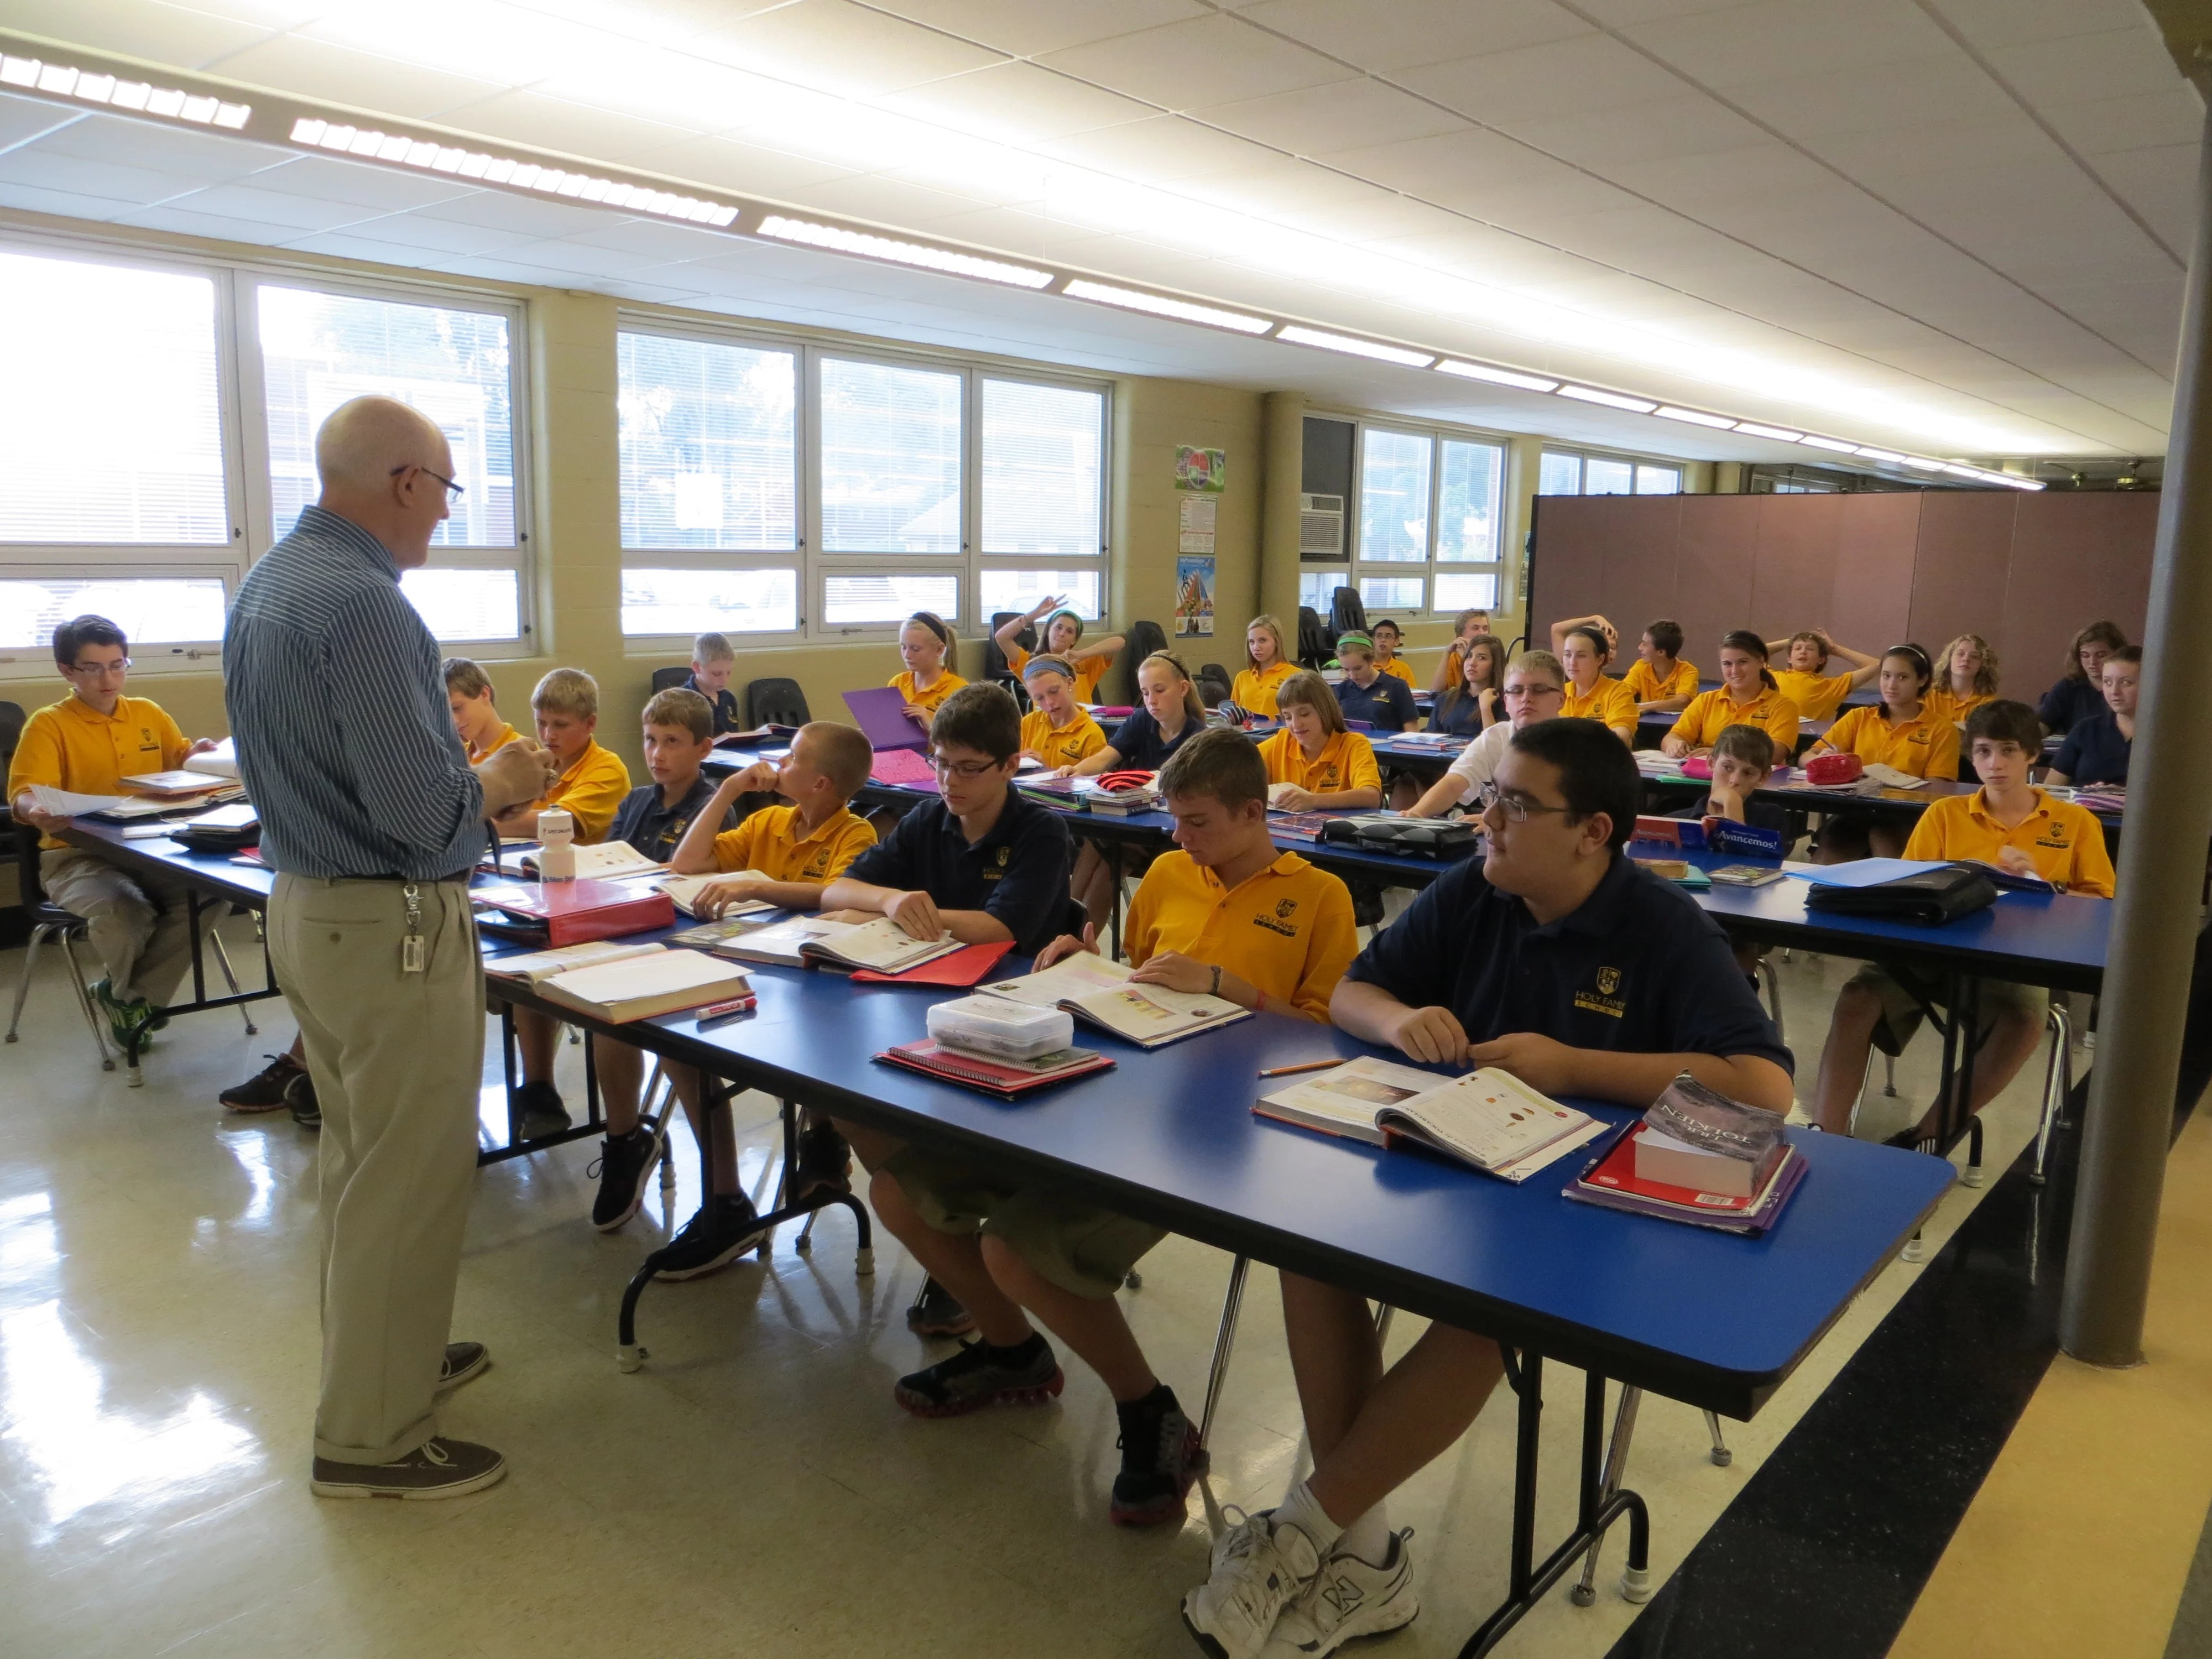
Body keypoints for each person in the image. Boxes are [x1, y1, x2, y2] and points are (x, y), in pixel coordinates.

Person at [1181, 720, 1791, 1659]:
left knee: (1484, 1309)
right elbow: (1353, 994)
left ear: (1592, 831)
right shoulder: (1478, 889)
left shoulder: (1662, 926)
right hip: (1460, 1160)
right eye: (1490, 793)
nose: (1484, 817)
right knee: (1308, 1252)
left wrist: (1573, 1064)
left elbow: (1764, 1087)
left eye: (1513, 802)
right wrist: (1403, 1017)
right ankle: (1370, 1555)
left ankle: (1299, 1533)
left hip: (1581, 1209)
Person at [859, 729, 1355, 1529]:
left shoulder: (1319, 896)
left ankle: (1149, 1409)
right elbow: (1135, 982)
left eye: (1195, 823)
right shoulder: (1166, 873)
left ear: (1253, 813)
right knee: (901, 1191)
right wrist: (1078, 962)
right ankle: (1011, 1348)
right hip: (1121, 1091)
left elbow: (1330, 1041)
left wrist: (1229, 987)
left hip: (1224, 1132)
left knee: (1013, 1245)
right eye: (1172, 819)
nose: (1176, 838)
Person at [225, 394, 561, 1499]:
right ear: (407, 483)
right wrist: (501, 787)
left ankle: (387, 1364)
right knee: (407, 1181)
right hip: (390, 922)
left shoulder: (269, 584)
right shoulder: (366, 607)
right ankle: (371, 1436)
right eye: (448, 493)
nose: (443, 518)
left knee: (362, 1166)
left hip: (312, 909)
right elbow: (425, 817)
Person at [1806, 700, 2115, 1141]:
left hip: (2015, 957)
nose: (1995, 764)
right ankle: (1826, 1135)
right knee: (1857, 995)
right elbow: (1905, 887)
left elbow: (2102, 901)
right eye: (1985, 752)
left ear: (2032, 755)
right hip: (1933, 949)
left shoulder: (2076, 822)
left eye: (2008, 751)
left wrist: (2046, 885)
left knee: (2025, 1023)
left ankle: (1928, 1136)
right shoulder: (1944, 814)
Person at [227, 656, 517, 1124]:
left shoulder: (510, 749)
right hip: (388, 895)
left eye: (458, 707)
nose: (452, 721)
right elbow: (430, 813)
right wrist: (494, 792)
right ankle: (311, 1073)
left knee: (384, 1111)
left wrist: (494, 791)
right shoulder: (456, 751)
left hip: (423, 888)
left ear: (486, 695)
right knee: (394, 1113)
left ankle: (312, 1075)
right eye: (442, 711)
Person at [564, 688, 786, 1271]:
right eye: (649, 740)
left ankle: (724, 1194)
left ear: (704, 748)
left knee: (676, 1042)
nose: (656, 754)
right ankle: (624, 1141)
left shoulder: (718, 805)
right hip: (631, 940)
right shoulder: (637, 802)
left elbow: (705, 888)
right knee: (602, 1011)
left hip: (698, 948)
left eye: (671, 743)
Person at [8, 613, 222, 1055]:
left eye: (118, 664)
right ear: (68, 671)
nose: (109, 678)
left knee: (211, 894)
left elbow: (179, 758)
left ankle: (126, 998)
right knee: (124, 909)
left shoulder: (146, 713)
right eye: (94, 668)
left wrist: (198, 755)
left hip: (150, 846)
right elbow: (23, 794)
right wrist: (38, 811)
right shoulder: (49, 724)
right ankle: (137, 1003)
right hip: (75, 854)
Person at [669, 721, 879, 912]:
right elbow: (687, 863)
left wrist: (755, 887)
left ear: (819, 784)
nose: (781, 760)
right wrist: (729, 789)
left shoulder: (856, 834)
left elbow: (835, 894)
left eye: (793, 757)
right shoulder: (768, 821)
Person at [1063, 651, 1207, 930]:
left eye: (1160, 690)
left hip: (1168, 836)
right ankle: (1068, 932)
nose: (1151, 700)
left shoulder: (1198, 737)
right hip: (1132, 827)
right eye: (1145, 692)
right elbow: (1106, 758)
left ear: (1183, 688)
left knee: (1106, 849)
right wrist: (1074, 771)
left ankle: (1072, 936)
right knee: (1103, 846)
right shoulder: (1141, 721)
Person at [1805, 645, 1960, 857]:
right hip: (1857, 810)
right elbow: (1807, 757)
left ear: (1922, 681)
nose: (1891, 685)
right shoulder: (1859, 717)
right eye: (1886, 676)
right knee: (1829, 856)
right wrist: (1820, 759)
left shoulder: (1941, 728)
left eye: (1902, 678)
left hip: (1906, 815)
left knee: (1886, 843)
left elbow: (1939, 786)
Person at [1406, 651, 1568, 817]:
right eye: (1516, 691)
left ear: (1561, 700)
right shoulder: (1495, 738)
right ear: (1506, 703)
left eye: (1539, 690)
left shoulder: (1577, 743)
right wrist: (1415, 815)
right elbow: (1454, 784)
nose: (1526, 698)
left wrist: (1500, 819)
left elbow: (1566, 812)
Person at [491, 668, 630, 845]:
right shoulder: (534, 764)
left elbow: (558, 823)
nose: (549, 735)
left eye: (561, 725)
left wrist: (481, 826)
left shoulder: (609, 770)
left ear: (590, 723)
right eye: (541, 723)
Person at [1663, 632, 1801, 767]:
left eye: (1743, 662)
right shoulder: (1706, 700)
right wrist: (1675, 745)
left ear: (1761, 662)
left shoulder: (1784, 706)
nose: (1735, 671)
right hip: (1703, 778)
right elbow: (1673, 737)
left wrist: (1721, 754)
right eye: (1727, 664)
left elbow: (1776, 753)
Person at [1260, 672, 1384, 812]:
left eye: (1304, 714)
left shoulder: (1354, 744)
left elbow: (1371, 796)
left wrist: (1313, 801)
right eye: (1288, 717)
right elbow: (1240, 766)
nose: (1296, 725)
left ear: (1325, 711)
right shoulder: (1281, 742)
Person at [994, 596, 1124, 704]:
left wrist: (1081, 655)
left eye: (1069, 631)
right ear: (1048, 631)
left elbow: (1119, 642)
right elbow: (1002, 638)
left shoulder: (1083, 666)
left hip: (1081, 729)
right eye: (1058, 628)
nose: (1062, 634)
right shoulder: (1031, 663)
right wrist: (1033, 615)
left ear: (1074, 639)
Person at [2046, 646, 2137, 787]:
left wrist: (2122, 796)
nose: (2114, 691)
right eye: (2107, 682)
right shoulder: (2086, 730)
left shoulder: (2171, 738)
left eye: (2125, 683)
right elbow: (2050, 790)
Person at [1015, 654, 1108, 770]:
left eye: (1054, 692)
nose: (1049, 702)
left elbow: (1095, 784)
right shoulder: (1028, 724)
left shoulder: (1091, 735)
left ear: (1069, 683)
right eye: (1039, 698)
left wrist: (1046, 769)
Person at [1551, 619, 1636, 743]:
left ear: (1600, 659)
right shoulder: (1558, 692)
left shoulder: (1618, 692)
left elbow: (1620, 738)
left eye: (1581, 656)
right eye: (1568, 655)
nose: (1572, 663)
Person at [2038, 620, 2128, 735]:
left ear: (2118, 653)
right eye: (2085, 655)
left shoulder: (2132, 687)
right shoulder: (2068, 687)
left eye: (2101, 655)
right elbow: (2043, 725)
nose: (2092, 662)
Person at [1770, 629, 1880, 722]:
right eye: (1798, 648)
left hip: (1807, 741)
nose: (1803, 652)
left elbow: (1877, 665)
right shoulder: (1773, 677)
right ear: (1789, 658)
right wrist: (1789, 642)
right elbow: (1755, 653)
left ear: (1821, 660)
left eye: (1810, 649)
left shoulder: (1832, 686)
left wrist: (1835, 649)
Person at [1329, 633, 1417, 732]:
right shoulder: (1340, 691)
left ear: (1371, 661)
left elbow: (1412, 732)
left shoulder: (1397, 687)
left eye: (1358, 669)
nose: (1353, 676)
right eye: (1346, 670)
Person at [893, 611, 966, 726]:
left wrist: (931, 725)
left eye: (916, 649)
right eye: (904, 647)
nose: (907, 655)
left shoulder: (959, 690)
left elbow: (962, 740)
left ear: (939, 650)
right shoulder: (897, 683)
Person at [444, 658, 522, 761]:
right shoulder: (457, 755)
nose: (454, 720)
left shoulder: (522, 753)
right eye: (447, 713)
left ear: (484, 694)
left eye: (457, 708)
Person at [1430, 633, 1505, 739]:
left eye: (1482, 658)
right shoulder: (1446, 699)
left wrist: (1485, 708)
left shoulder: (1504, 701)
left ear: (1494, 664)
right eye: (1469, 656)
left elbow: (1496, 746)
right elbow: (1430, 741)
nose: (1472, 663)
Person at [1622, 618, 1698, 714]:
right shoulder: (1640, 666)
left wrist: (1643, 707)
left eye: (1644, 644)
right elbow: (1622, 693)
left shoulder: (1688, 671)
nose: (1640, 647)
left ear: (1661, 652)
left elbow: (1682, 702)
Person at [1925, 633, 2000, 729]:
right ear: (1949, 659)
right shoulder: (1927, 694)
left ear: (1983, 665)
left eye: (1975, 656)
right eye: (1961, 654)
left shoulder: (1990, 703)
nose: (1966, 659)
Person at [1232, 615, 1296, 717]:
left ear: (1276, 642)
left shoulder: (1294, 675)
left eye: (1263, 641)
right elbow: (1234, 716)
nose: (1256, 648)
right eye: (1252, 642)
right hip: (1246, 732)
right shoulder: (1242, 677)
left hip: (1279, 732)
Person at [684, 631, 743, 737]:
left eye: (729, 673)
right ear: (697, 667)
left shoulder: (728, 698)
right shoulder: (683, 701)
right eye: (717, 674)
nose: (725, 680)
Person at [1430, 607, 1494, 696]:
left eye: (1485, 629)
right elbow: (1436, 691)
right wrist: (1447, 653)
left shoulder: (1493, 654)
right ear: (1461, 634)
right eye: (1476, 628)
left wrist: (1465, 658)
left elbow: (1477, 688)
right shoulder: (1454, 658)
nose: (1482, 633)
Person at [1368, 618, 1416, 689]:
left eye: (1388, 636)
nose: (1383, 640)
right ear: (1373, 640)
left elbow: (1413, 694)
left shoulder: (1403, 668)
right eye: (1379, 636)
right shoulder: (1365, 666)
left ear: (1397, 642)